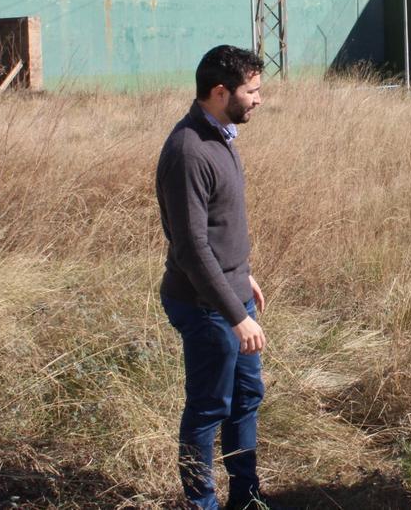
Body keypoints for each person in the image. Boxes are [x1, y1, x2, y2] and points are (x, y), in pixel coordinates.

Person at [156, 44, 271, 510]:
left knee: (247, 394)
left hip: (229, 292)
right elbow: (191, 248)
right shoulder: (189, 150)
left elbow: (218, 229)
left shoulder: (220, 134)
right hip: (204, 305)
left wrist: (243, 276)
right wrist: (234, 313)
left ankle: (246, 497)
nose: (259, 99)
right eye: (252, 90)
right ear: (220, 92)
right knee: (208, 408)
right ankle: (201, 503)